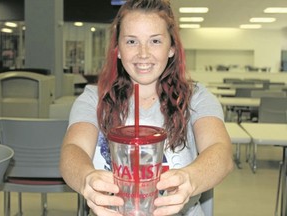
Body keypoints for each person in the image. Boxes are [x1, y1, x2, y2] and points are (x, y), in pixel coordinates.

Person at [60, 0, 234, 215]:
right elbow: (73, 150)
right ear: (118, 50)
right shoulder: (94, 99)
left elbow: (220, 151)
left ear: (171, 48)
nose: (143, 53)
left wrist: (190, 179)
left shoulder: (196, 98)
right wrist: (86, 178)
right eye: (132, 41)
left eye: (155, 41)